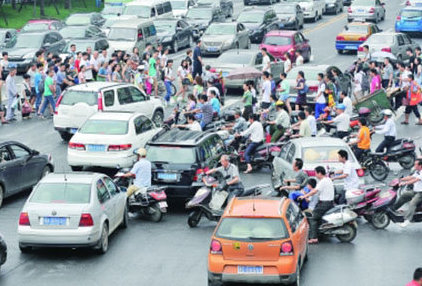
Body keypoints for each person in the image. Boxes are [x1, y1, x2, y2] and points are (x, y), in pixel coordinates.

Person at [299, 166, 335, 244]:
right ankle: (318, 234)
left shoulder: (323, 181)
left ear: (319, 173)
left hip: (324, 203)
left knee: (312, 217)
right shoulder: (328, 179)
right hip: (329, 202)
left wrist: (304, 196)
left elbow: (315, 191)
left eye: (315, 173)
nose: (315, 175)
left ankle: (313, 238)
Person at [393, 159, 422, 227]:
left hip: (420, 193)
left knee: (413, 203)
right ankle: (394, 209)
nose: (414, 166)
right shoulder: (418, 171)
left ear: (420, 165)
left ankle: (407, 220)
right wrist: (400, 179)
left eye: (415, 164)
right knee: (404, 195)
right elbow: (411, 177)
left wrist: (404, 183)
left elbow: (415, 180)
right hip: (415, 191)